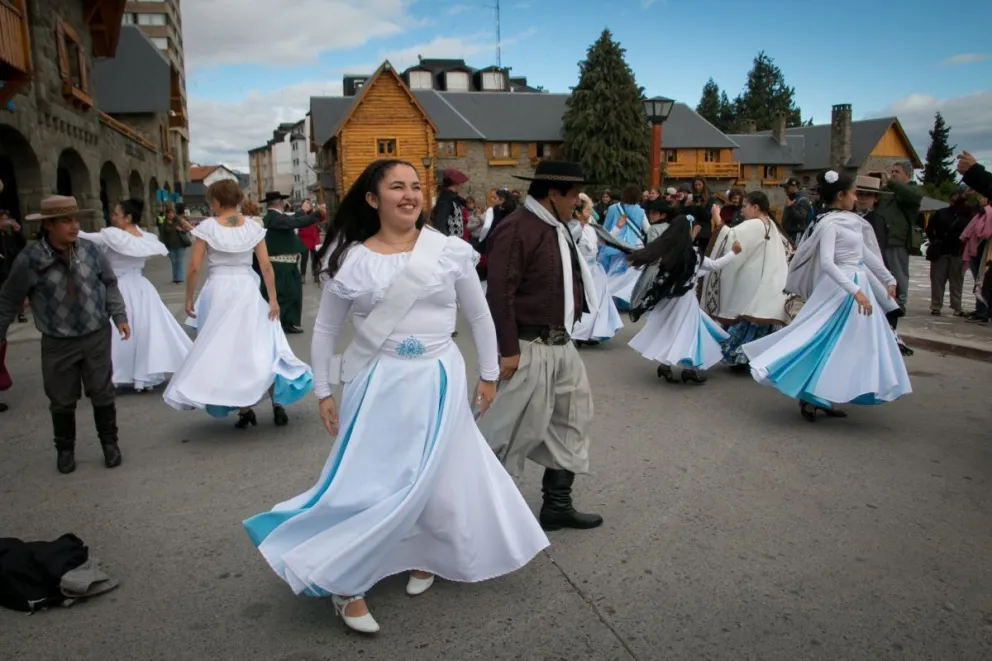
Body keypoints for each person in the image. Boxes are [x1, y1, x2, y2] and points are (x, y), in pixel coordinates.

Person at [243, 159, 548, 635]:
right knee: (374, 477)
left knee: (439, 472)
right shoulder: (350, 258)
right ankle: (345, 581)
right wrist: (322, 388)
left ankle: (424, 550)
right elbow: (326, 327)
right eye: (396, 187)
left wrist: (488, 374)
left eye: (415, 186)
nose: (409, 194)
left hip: (440, 376)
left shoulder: (449, 251)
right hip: (378, 378)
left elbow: (480, 316)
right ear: (372, 198)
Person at [477, 160, 603, 531]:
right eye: (574, 196)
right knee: (501, 433)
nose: (577, 202)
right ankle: (473, 514)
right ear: (553, 194)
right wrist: (508, 351)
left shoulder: (556, 227)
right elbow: (499, 294)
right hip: (528, 347)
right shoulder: (517, 229)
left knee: (573, 421)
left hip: (562, 344)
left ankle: (557, 506)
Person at [742, 170, 912, 421]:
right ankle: (811, 391)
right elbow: (828, 263)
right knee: (822, 338)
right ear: (841, 195)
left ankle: (820, 392)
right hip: (840, 288)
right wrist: (856, 292)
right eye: (853, 192)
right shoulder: (829, 224)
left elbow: (866, 254)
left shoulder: (852, 221)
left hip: (856, 285)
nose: (856, 197)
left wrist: (889, 278)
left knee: (846, 342)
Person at [163, 180, 313, 428]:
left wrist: (189, 297)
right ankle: (277, 403)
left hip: (219, 291)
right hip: (247, 289)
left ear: (217, 202)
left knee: (229, 350)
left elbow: (194, 267)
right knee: (263, 344)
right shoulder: (252, 227)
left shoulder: (208, 227)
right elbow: (266, 266)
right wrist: (273, 299)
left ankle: (245, 409)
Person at [0, 195, 130, 474]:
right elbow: (9, 299)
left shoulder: (90, 250)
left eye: (75, 219)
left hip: (95, 334)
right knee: (61, 398)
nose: (74, 226)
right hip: (58, 341)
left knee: (102, 391)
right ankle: (65, 450)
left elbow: (109, 284)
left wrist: (119, 315)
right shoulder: (31, 259)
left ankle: (110, 444)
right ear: (49, 225)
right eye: (65, 220)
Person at [78, 198, 192, 391]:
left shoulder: (114, 235)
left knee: (121, 330)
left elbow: (86, 237)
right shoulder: (145, 237)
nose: (112, 217)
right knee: (143, 329)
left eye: (116, 213)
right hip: (140, 286)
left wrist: (72, 225)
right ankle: (142, 374)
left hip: (120, 286)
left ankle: (123, 372)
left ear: (128, 217)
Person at [628, 214, 742, 384]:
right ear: (691, 230)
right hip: (685, 301)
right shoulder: (694, 254)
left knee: (668, 331)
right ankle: (689, 369)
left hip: (667, 300)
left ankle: (666, 366)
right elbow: (714, 266)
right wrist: (733, 252)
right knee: (689, 334)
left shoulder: (667, 252)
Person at [700, 191, 791, 370]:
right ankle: (754, 357)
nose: (742, 211)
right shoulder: (771, 224)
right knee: (759, 319)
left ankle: (739, 356)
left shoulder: (755, 224)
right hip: (769, 281)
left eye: (744, 206)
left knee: (746, 317)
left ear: (755, 207)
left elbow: (730, 238)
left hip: (753, 281)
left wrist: (717, 218)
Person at [260, 191, 322, 334]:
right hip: (281, 265)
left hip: (288, 263)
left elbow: (293, 218)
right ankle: (277, 324)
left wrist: (303, 211)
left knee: (293, 293)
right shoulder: (274, 218)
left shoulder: (276, 217)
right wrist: (316, 214)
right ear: (280, 203)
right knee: (287, 294)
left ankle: (287, 322)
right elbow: (295, 222)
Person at [570, 193, 623, 346]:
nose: (590, 213)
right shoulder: (572, 226)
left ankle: (591, 334)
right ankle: (578, 333)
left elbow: (603, 242)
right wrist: (580, 224)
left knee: (598, 303)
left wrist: (617, 228)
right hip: (581, 270)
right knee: (584, 302)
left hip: (595, 270)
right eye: (587, 210)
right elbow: (571, 238)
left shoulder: (591, 227)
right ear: (578, 213)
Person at [874, 161, 923, 324]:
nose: (893, 174)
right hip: (882, 238)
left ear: (907, 174)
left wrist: (893, 183)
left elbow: (914, 198)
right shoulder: (888, 191)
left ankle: (900, 303)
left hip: (898, 239)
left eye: (897, 172)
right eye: (892, 171)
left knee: (898, 272)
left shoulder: (912, 189)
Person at [599, 184, 648, 310]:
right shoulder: (640, 211)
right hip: (636, 247)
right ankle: (628, 302)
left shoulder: (613, 208)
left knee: (614, 273)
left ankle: (605, 297)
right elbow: (647, 229)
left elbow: (605, 228)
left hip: (616, 245)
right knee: (633, 277)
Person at [924, 188, 971, 316]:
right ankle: (936, 306)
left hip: (958, 251)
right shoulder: (941, 213)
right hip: (941, 251)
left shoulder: (967, 214)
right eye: (953, 200)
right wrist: (934, 241)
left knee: (956, 281)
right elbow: (929, 229)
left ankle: (957, 306)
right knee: (937, 280)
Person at [0, 209, 27, 323]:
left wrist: (17, 232)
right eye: (4, 219)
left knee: (18, 291)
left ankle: (20, 313)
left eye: (7, 219)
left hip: (10, 268)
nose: (7, 222)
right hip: (1, 270)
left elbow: (20, 246)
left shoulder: (7, 235)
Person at [157, 204, 194, 284]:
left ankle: (179, 278)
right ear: (166, 214)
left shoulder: (179, 221)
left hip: (180, 245)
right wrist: (161, 245)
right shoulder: (164, 224)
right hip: (169, 245)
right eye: (169, 213)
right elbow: (162, 235)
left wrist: (180, 229)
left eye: (173, 213)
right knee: (173, 261)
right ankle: (175, 277)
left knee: (179, 261)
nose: (171, 215)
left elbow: (186, 231)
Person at [429, 168, 469, 238]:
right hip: (450, 243)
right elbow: (440, 223)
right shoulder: (445, 199)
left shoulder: (453, 198)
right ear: (455, 183)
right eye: (459, 182)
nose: (461, 185)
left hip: (456, 241)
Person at [780, 178, 814, 246]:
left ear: (794, 187)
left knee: (795, 253)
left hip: (797, 233)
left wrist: (791, 207)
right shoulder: (792, 199)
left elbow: (801, 217)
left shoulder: (802, 200)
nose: (785, 190)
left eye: (787, 188)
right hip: (789, 234)